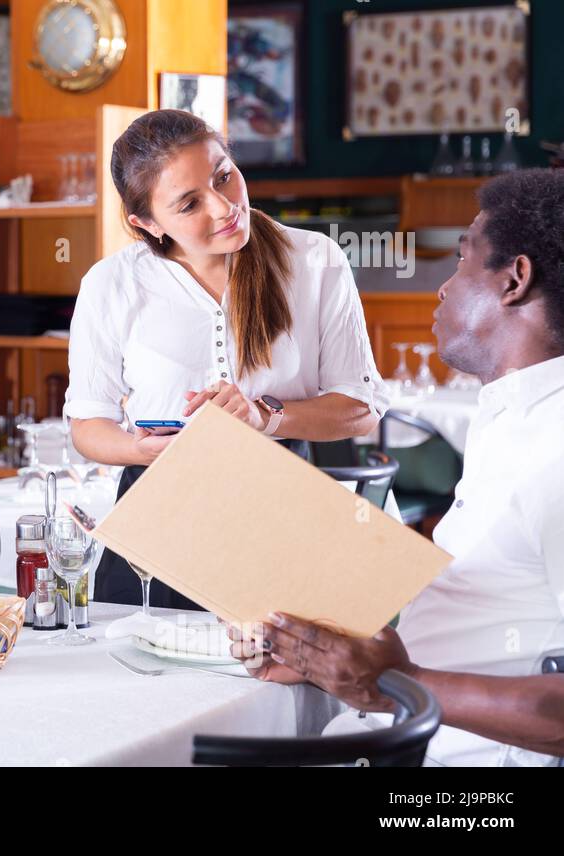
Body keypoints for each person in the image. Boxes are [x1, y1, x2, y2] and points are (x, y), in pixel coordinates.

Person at [232, 169, 564, 765]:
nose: (442, 288)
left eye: (462, 262)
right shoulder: (511, 416)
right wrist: (328, 659)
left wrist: (393, 682)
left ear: (515, 280)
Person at [64, 109, 385, 609]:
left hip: (283, 517)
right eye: (190, 203)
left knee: (275, 681)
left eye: (224, 177)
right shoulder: (110, 284)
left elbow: (361, 410)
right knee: (141, 676)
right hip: (156, 522)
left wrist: (267, 416)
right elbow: (88, 423)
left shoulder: (315, 260)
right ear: (146, 222)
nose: (224, 207)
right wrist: (138, 450)